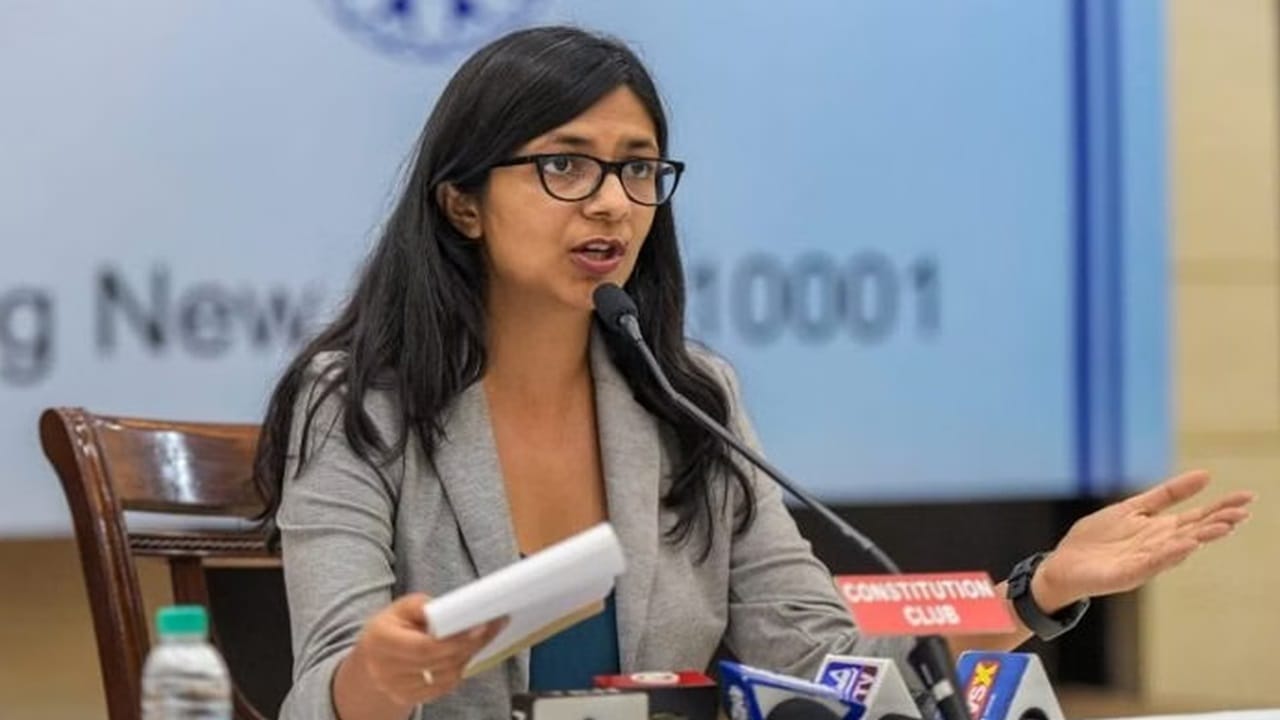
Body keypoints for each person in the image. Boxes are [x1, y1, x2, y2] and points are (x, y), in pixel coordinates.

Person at [253, 25, 1255, 720]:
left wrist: (1036, 591)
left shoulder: (689, 400)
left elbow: (824, 662)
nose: (610, 202)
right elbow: (323, 693)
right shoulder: (358, 407)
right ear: (462, 203)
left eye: (637, 167)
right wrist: (382, 676)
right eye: (565, 164)